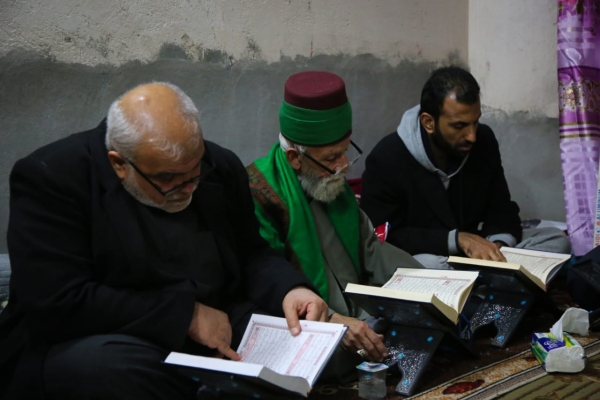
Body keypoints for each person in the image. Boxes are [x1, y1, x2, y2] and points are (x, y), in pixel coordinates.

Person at [0, 82, 328, 400]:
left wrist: (290, 289)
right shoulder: (54, 177)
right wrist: (185, 316)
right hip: (106, 335)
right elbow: (57, 300)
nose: (188, 188)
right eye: (168, 179)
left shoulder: (220, 165)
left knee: (303, 344)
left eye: (195, 172)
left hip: (218, 320)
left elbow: (251, 254)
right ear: (119, 164)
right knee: (116, 371)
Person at [246, 71, 425, 379]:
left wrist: (428, 286)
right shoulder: (258, 194)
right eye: (332, 157)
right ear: (294, 158)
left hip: (359, 314)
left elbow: (371, 250)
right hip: (311, 323)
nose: (343, 165)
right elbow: (266, 283)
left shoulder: (331, 182)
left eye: (345, 150)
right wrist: (332, 320)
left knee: (428, 306)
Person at [361, 66, 571, 269]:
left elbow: (501, 209)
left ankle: (488, 278)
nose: (471, 136)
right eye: (459, 126)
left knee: (554, 240)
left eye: (475, 122)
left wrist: (497, 247)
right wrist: (457, 240)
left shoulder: (483, 141)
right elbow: (383, 237)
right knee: (428, 265)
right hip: (430, 255)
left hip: (472, 254)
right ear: (428, 123)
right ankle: (485, 283)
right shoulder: (388, 157)